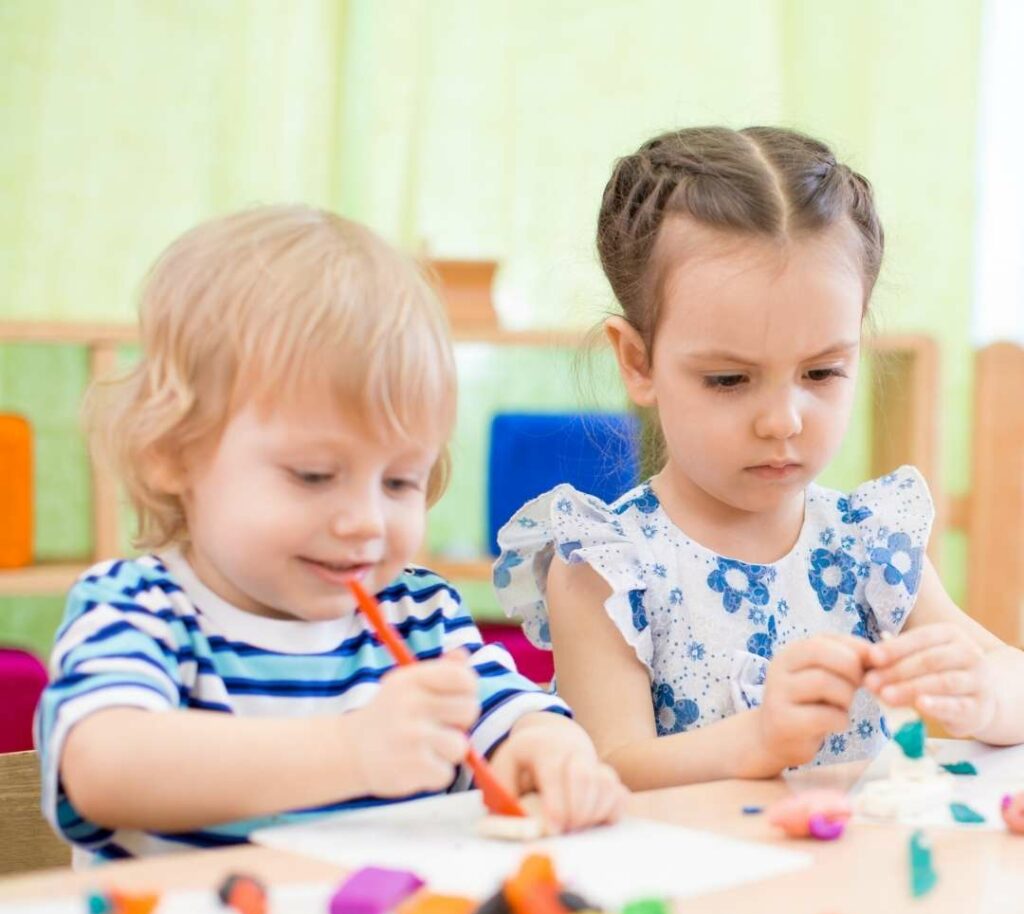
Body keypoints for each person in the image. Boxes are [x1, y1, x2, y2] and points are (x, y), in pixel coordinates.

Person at [35, 205, 626, 859]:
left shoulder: (418, 617)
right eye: (315, 475)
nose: (366, 521)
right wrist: (351, 751)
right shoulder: (139, 608)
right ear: (174, 454)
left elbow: (515, 717)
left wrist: (555, 752)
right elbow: (105, 770)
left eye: (400, 482)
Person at [495, 127, 1024, 790]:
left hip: (857, 888)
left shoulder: (869, 546)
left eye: (824, 372)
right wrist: (758, 739)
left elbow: (1012, 677)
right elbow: (609, 767)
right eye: (729, 379)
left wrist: (989, 695)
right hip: (687, 888)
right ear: (638, 361)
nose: (783, 421)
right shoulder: (606, 568)